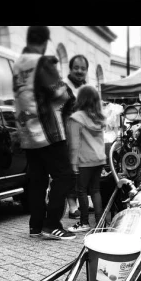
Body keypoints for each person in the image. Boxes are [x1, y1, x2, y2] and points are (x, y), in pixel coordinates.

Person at [12, 25, 75, 240]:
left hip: (27, 132)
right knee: (64, 175)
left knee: (38, 179)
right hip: (47, 129)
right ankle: (52, 225)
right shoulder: (42, 62)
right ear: (45, 41)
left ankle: (36, 225)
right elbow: (60, 93)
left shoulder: (18, 65)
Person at [66, 85, 107, 233]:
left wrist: (73, 162)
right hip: (99, 159)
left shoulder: (76, 118)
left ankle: (84, 222)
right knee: (95, 190)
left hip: (84, 160)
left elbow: (74, 144)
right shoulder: (99, 117)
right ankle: (100, 222)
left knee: (81, 191)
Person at [63, 55, 90, 220]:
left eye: (83, 68)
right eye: (76, 67)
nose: (80, 71)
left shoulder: (86, 88)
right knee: (71, 171)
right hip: (69, 135)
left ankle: (81, 202)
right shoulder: (64, 88)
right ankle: (72, 206)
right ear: (70, 69)